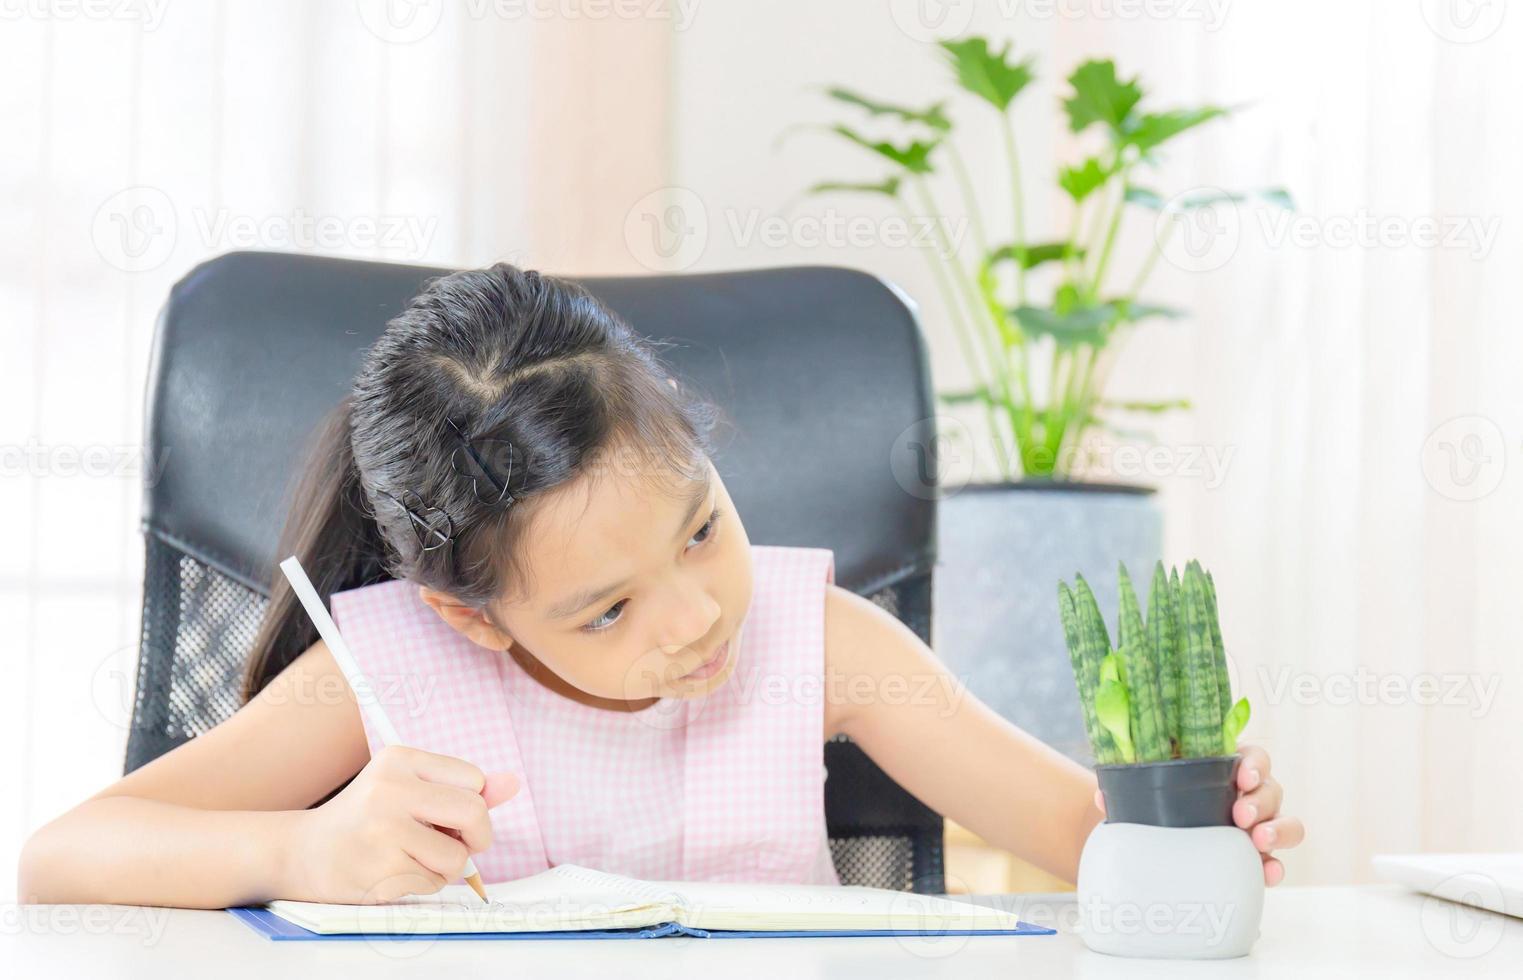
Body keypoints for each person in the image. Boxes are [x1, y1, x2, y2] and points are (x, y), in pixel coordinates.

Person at [17, 263, 1303, 908]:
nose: (696, 618)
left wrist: (1190, 838)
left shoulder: (825, 644)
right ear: (474, 613)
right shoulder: (395, 667)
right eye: (607, 611)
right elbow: (63, 856)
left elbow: (1082, 836)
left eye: (700, 529)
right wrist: (302, 843)